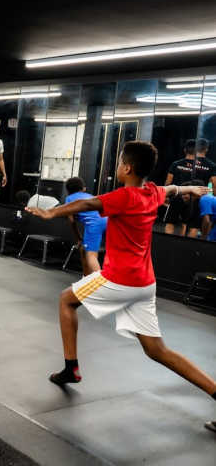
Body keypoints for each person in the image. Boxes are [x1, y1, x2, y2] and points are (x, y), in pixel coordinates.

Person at [27, 141, 216, 433]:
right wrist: (188, 189)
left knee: (66, 300)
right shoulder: (152, 192)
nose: (117, 167)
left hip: (119, 279)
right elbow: (170, 190)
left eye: (118, 163)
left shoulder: (124, 196)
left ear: (126, 168)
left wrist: (53, 213)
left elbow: (88, 203)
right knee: (156, 350)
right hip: (145, 284)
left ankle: (71, 368)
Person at [64, 177, 107, 275]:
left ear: (68, 190)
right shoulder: (89, 195)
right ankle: (86, 277)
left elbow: (71, 221)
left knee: (91, 255)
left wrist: (78, 237)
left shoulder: (69, 199)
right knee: (83, 249)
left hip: (94, 224)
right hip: (107, 220)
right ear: (83, 188)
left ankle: (98, 285)